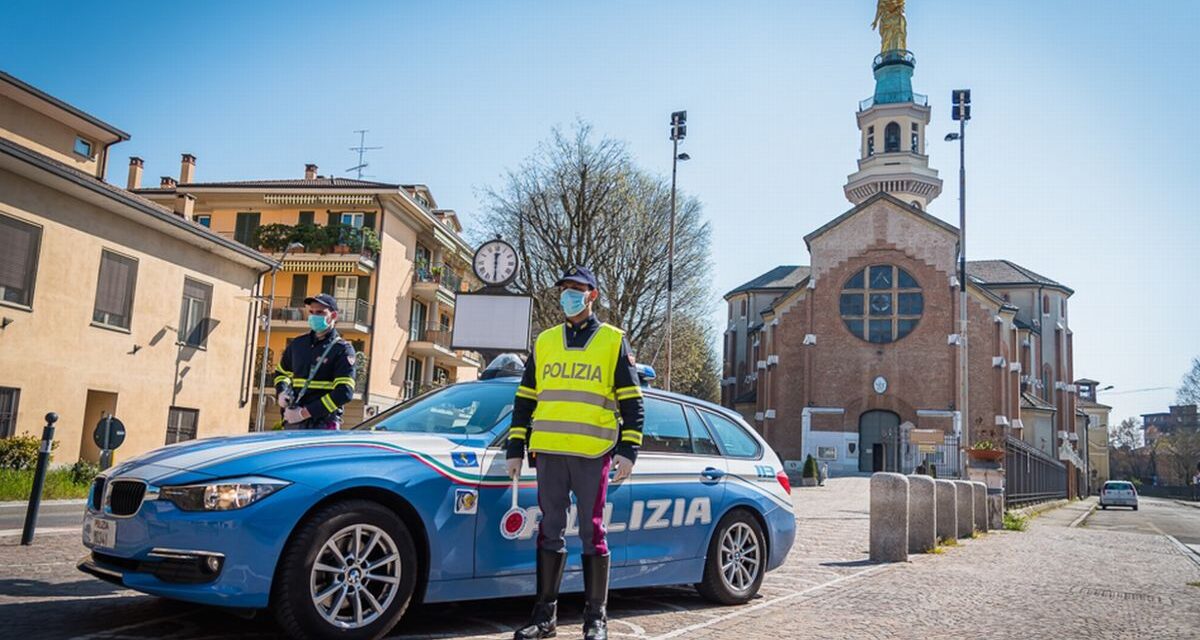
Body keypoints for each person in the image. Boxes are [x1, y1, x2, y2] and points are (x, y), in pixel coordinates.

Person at [505, 266, 644, 640]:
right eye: (564, 288)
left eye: (576, 289)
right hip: (548, 452)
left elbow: (633, 402)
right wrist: (514, 446)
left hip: (591, 453)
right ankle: (544, 618)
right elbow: (524, 400)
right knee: (548, 531)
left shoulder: (614, 340)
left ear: (592, 295)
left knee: (591, 531)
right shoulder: (545, 341)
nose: (568, 294)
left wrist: (629, 450)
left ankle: (595, 619)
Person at [273, 293, 357, 430]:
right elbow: (282, 372)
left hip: (323, 423)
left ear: (333, 316)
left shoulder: (342, 349)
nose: (313, 316)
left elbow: (344, 392)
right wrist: (282, 392)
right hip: (292, 419)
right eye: (311, 312)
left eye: (320, 312)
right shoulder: (298, 344)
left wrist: (304, 413)